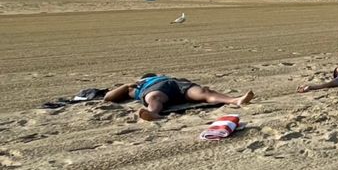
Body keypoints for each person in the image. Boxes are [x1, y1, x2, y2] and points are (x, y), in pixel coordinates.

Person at [104, 74, 255, 121]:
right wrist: (125, 85)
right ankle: (154, 113)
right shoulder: (136, 86)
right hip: (155, 89)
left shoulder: (164, 77)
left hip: (177, 85)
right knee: (155, 97)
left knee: (203, 92)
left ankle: (235, 100)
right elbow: (108, 97)